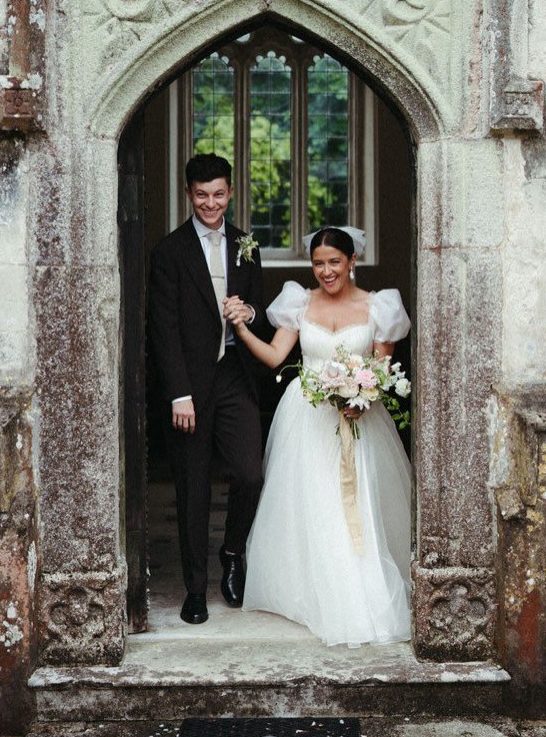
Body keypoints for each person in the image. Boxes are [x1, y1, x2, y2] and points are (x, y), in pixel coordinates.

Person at [225, 225, 412, 647]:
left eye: (334, 262)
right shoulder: (298, 302)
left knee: (354, 504)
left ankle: (355, 592)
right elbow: (276, 356)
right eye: (318, 263)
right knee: (311, 502)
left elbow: (381, 368)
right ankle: (311, 590)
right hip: (306, 416)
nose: (326, 271)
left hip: (357, 418)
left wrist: (363, 398)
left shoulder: (379, 306)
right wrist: (241, 330)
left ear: (351, 262)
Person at [148, 154, 267, 626]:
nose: (210, 203)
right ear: (188, 194)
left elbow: (258, 303)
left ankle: (232, 551)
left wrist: (250, 313)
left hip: (235, 374)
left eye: (219, 194)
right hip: (191, 385)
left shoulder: (246, 245)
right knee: (192, 488)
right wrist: (179, 393)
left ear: (231, 193)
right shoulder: (169, 251)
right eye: (201, 195)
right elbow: (163, 328)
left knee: (250, 473)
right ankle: (195, 589)